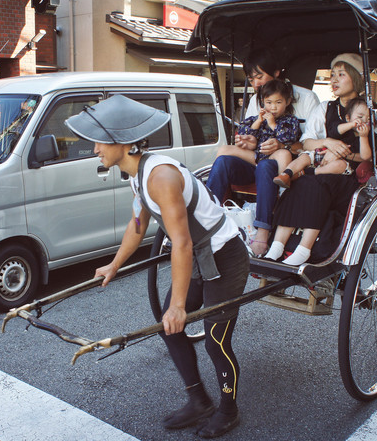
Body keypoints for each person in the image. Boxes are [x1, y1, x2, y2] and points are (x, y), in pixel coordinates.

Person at [65, 95, 250, 438]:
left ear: (123, 142)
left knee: (214, 340)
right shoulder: (137, 175)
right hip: (199, 256)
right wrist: (114, 265)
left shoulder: (160, 177)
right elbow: (138, 226)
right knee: (169, 325)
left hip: (225, 255)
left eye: (100, 141)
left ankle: (228, 410)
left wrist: (180, 305)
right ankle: (199, 401)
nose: (94, 149)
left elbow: (181, 242)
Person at [206, 48, 320, 256]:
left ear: (276, 73)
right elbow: (251, 135)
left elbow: (309, 144)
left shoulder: (307, 98)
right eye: (251, 79)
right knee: (223, 160)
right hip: (256, 159)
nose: (256, 84)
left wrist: (282, 145)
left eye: (260, 77)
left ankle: (262, 233)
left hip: (286, 165)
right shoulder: (256, 100)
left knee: (267, 165)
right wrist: (248, 141)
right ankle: (205, 219)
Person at [265, 53, 368, 265]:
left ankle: (305, 249)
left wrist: (346, 154)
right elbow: (306, 142)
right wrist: (328, 142)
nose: (334, 80)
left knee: (314, 182)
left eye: (341, 74)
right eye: (332, 75)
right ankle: (276, 246)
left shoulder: (368, 110)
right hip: (322, 164)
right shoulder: (326, 108)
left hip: (348, 176)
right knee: (299, 180)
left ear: (356, 78)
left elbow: (371, 153)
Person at [272, 97, 371, 189]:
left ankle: (306, 172)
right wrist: (350, 125)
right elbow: (335, 131)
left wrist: (363, 136)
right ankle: (286, 173)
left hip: (339, 163)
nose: (364, 121)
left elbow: (365, 156)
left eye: (369, 119)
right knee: (305, 157)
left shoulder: (366, 137)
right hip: (322, 153)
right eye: (360, 117)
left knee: (340, 165)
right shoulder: (342, 127)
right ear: (348, 118)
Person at [229, 79, 300, 167]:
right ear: (263, 101)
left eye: (278, 102)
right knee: (224, 149)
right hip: (255, 156)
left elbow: (287, 138)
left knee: (283, 155)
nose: (273, 107)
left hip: (274, 158)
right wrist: (258, 122)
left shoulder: (291, 120)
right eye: (269, 102)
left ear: (288, 101)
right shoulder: (257, 118)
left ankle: (283, 178)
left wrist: (273, 124)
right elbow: (243, 132)